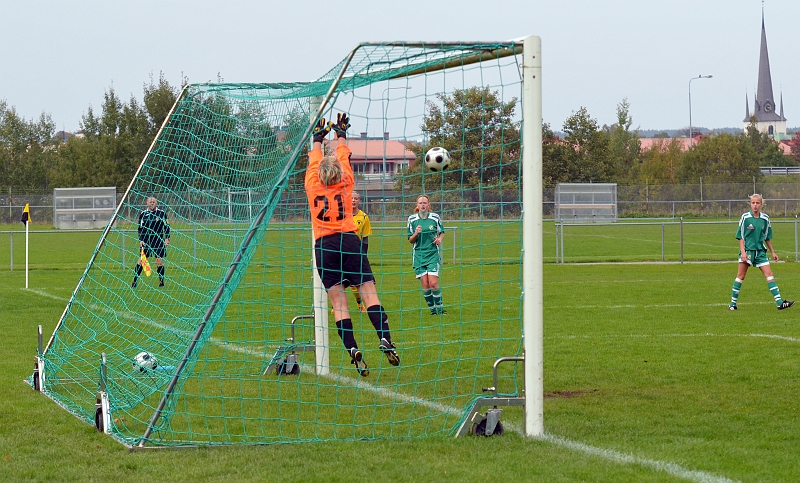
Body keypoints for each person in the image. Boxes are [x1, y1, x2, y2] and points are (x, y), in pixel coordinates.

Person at [305, 113, 399, 377]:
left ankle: (353, 349)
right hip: (348, 240)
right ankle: (385, 338)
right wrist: (341, 134)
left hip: (324, 246)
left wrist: (317, 139)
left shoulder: (312, 185)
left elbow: (314, 161)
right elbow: (344, 156)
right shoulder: (346, 183)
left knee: (339, 304)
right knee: (369, 293)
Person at [728, 193, 794, 311]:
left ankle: (779, 303)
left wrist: (773, 252)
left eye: (757, 203)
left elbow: (767, 237)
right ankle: (732, 304)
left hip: (760, 252)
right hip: (748, 251)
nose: (755, 205)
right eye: (753, 203)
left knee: (769, 275)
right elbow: (741, 237)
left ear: (761, 204)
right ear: (750, 204)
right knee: (740, 276)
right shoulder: (745, 217)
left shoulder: (765, 219)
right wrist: (743, 253)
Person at [407, 195, 446, 315]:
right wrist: (416, 233)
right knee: (425, 285)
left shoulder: (435, 217)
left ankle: (440, 310)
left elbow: (442, 232)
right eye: (420, 203)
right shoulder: (412, 219)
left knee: (433, 283)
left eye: (425, 203)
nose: (423, 205)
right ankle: (433, 311)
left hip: (432, 254)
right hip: (419, 255)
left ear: (429, 205)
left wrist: (439, 239)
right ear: (417, 206)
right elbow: (410, 240)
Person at [132, 197, 170, 288]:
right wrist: (141, 240)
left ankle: (161, 282)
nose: (152, 203)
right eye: (150, 202)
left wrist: (167, 238)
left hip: (158, 240)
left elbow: (167, 226)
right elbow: (140, 229)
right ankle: (134, 281)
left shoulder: (162, 213)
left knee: (159, 261)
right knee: (142, 261)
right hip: (146, 241)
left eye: (154, 202)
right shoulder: (143, 214)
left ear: (156, 203)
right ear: (147, 203)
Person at [350, 191, 372, 312]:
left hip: (356, 253)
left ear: (359, 201)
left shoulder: (364, 217)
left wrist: (363, 254)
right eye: (351, 198)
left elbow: (365, 238)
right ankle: (335, 307)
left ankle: (359, 304)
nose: (353, 200)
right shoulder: (341, 215)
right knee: (338, 280)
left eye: (356, 198)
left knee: (354, 282)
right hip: (341, 251)